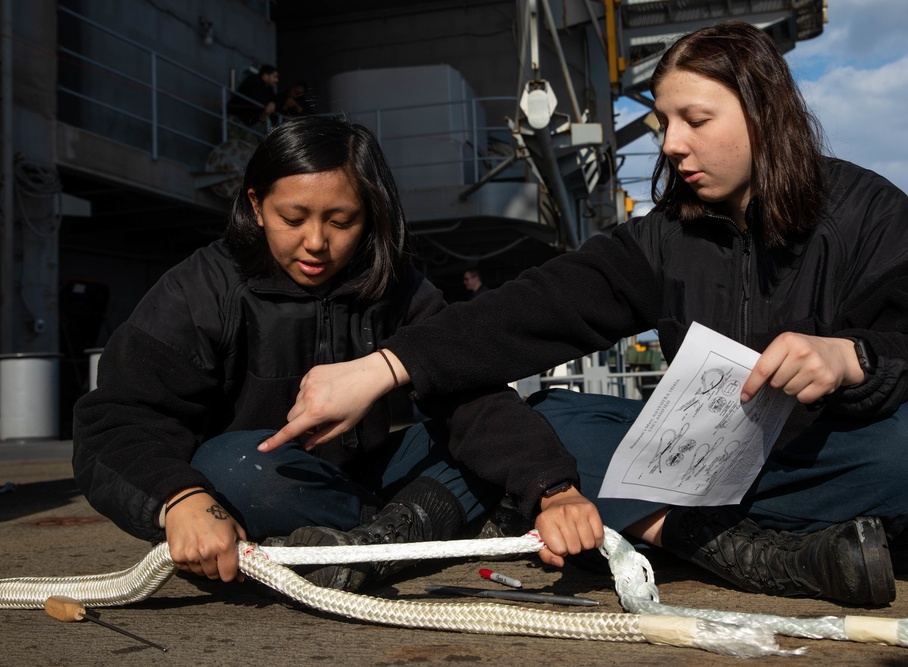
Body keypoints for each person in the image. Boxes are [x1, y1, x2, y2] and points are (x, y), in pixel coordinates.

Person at [257, 22, 908, 606]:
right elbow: (526, 313)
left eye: (695, 119)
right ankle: (757, 553)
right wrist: (384, 367)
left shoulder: (869, 212)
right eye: (665, 119)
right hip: (692, 467)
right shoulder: (664, 236)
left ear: (766, 113)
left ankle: (661, 531)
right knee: (557, 415)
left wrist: (850, 356)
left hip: (815, 460)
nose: (671, 144)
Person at [73, 116, 602, 591]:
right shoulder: (198, 291)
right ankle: (422, 518)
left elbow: (468, 396)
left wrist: (552, 489)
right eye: (293, 217)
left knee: (558, 416)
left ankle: (374, 538)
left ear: (370, 216)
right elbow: (115, 421)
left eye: (341, 221)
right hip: (262, 486)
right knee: (233, 466)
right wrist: (180, 498)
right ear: (256, 205)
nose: (316, 242)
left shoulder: (401, 289)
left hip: (367, 478)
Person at [227, 64, 280, 132]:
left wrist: (272, 103)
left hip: (245, 124)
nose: (277, 80)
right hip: (234, 118)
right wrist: (267, 107)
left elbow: (274, 99)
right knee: (236, 141)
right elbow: (258, 100)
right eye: (275, 77)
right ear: (265, 76)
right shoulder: (253, 81)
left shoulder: (268, 88)